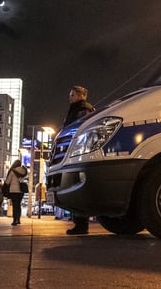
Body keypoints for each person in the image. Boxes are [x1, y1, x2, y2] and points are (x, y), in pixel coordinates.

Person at [63, 85, 95, 235]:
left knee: (77, 186)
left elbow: (81, 129)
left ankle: (81, 224)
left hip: (78, 152)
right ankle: (80, 223)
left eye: (72, 95)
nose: (70, 98)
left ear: (81, 96)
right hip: (76, 151)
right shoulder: (78, 109)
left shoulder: (83, 109)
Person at [4, 160, 29, 226]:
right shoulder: (24, 171)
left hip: (13, 191)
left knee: (15, 206)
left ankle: (15, 220)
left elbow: (7, 182)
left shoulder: (12, 171)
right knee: (18, 205)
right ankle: (18, 219)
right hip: (21, 191)